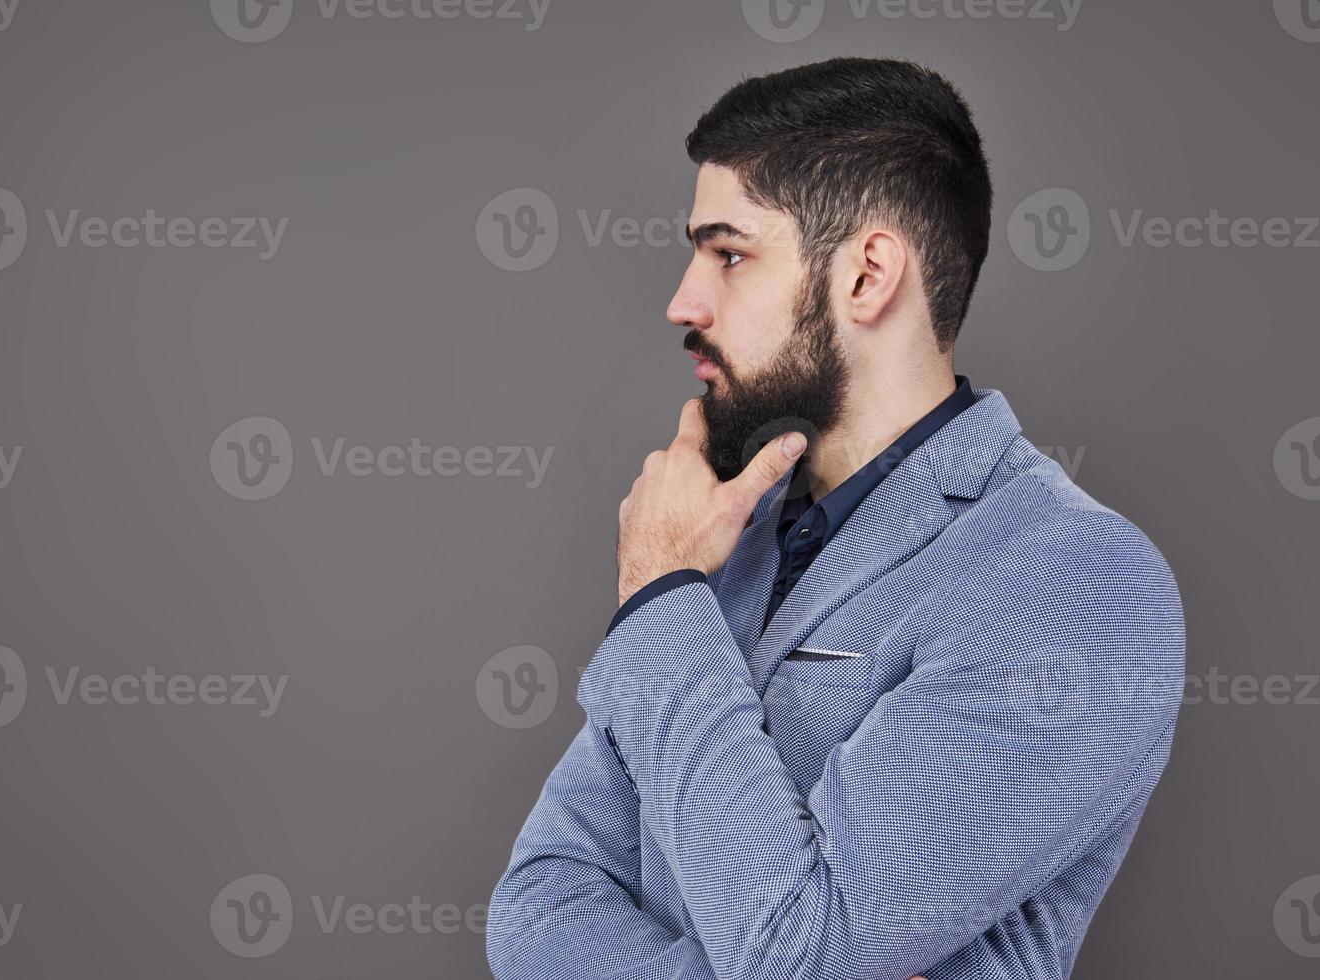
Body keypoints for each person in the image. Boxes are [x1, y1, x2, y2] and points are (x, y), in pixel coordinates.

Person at [486, 57, 1184, 980]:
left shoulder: (1078, 580)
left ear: (865, 276)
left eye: (727, 253)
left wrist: (658, 591)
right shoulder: (726, 545)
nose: (681, 303)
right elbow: (537, 901)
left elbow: (802, 953)